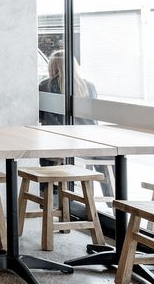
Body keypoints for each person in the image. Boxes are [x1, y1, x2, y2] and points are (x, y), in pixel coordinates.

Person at [38, 50, 112, 196]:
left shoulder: (45, 86)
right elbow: (94, 116)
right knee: (108, 157)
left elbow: (40, 116)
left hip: (60, 145)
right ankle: (111, 199)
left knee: (45, 147)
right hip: (90, 143)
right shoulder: (89, 86)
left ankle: (52, 192)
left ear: (52, 67)